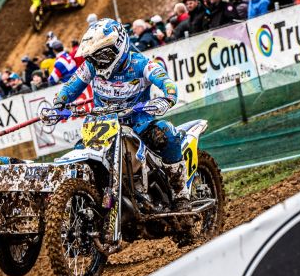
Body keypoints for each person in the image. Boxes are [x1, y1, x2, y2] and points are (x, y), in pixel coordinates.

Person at [42, 18, 190, 205]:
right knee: (79, 156)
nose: (98, 61)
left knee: (167, 134)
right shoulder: (91, 66)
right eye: (94, 57)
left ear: (118, 47)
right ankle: (86, 204)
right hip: (102, 127)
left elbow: (165, 81)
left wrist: (168, 97)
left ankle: (180, 193)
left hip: (138, 125)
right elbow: (71, 87)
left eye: (102, 55)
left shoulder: (141, 64)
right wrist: (58, 105)